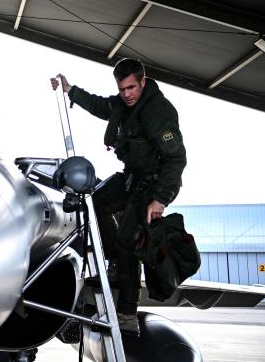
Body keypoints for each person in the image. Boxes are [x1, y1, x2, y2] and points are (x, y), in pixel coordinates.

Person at [50, 58, 186, 335]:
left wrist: (159, 200)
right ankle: (112, 263)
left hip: (153, 185)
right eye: (122, 89)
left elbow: (176, 159)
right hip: (131, 177)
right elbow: (102, 106)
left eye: (131, 88)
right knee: (93, 202)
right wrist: (70, 90)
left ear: (143, 82)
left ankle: (126, 316)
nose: (127, 94)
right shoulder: (125, 105)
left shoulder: (158, 112)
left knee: (128, 244)